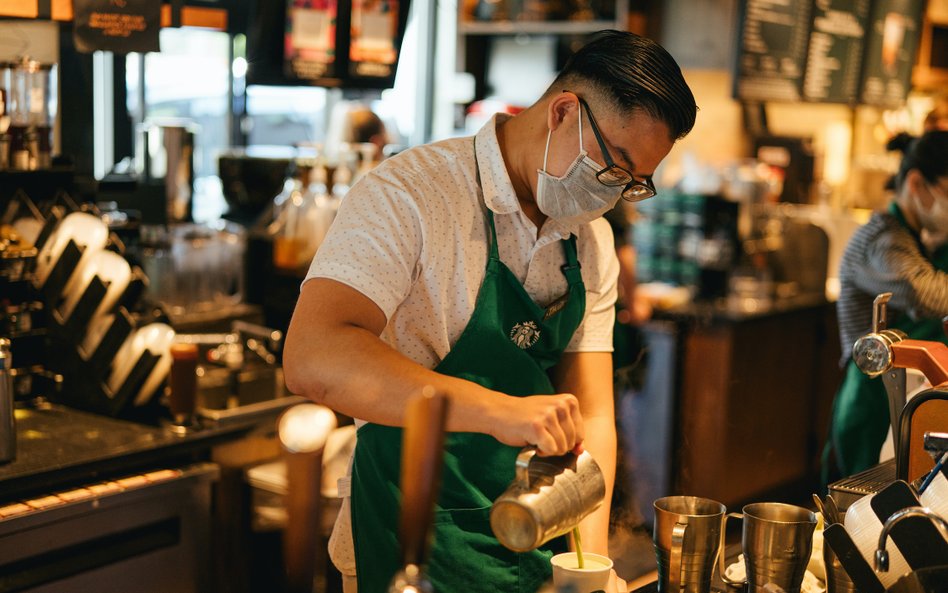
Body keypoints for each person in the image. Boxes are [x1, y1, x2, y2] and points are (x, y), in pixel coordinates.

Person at [283, 30, 697, 593]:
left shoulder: (590, 243)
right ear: (563, 112)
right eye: (614, 167)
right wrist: (502, 412)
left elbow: (594, 419)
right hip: (406, 537)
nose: (613, 192)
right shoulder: (410, 194)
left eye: (633, 183)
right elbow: (314, 356)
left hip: (530, 540)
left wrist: (589, 568)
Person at [823, 130, 948, 483]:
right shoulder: (882, 240)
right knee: (859, 510)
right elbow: (929, 294)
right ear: (916, 183)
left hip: (901, 393)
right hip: (872, 399)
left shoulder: (911, 237)